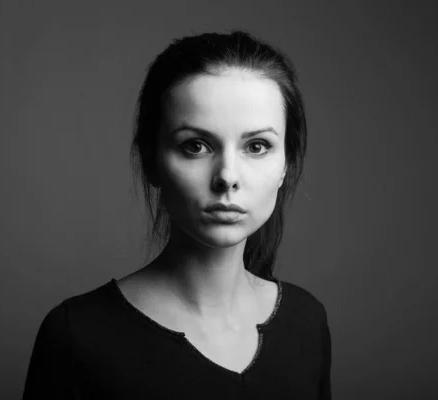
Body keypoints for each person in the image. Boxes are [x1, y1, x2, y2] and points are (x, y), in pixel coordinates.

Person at [22, 30, 331, 399]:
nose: (228, 177)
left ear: (286, 164)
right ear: (151, 161)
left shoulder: (307, 322)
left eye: (257, 146)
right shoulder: (78, 336)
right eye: (196, 146)